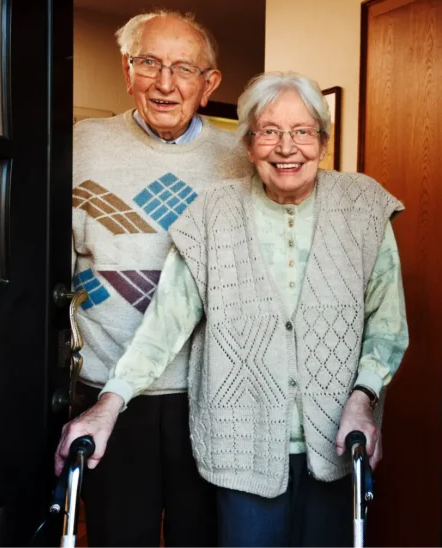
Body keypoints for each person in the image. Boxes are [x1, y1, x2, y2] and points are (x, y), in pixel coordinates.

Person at [59, 70, 410, 548]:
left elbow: (386, 324)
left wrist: (363, 398)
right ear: (248, 146)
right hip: (241, 447)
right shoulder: (212, 213)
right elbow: (166, 322)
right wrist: (109, 402)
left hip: (339, 441)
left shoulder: (363, 207)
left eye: (302, 132)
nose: (287, 148)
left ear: (322, 143)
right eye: (269, 132)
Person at [58, 9, 251, 548]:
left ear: (209, 84)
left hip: (208, 390)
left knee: (203, 537)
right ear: (127, 70)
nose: (165, 83)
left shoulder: (240, 158)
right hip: (106, 386)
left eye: (183, 68)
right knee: (121, 535)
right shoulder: (80, 144)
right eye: (149, 63)